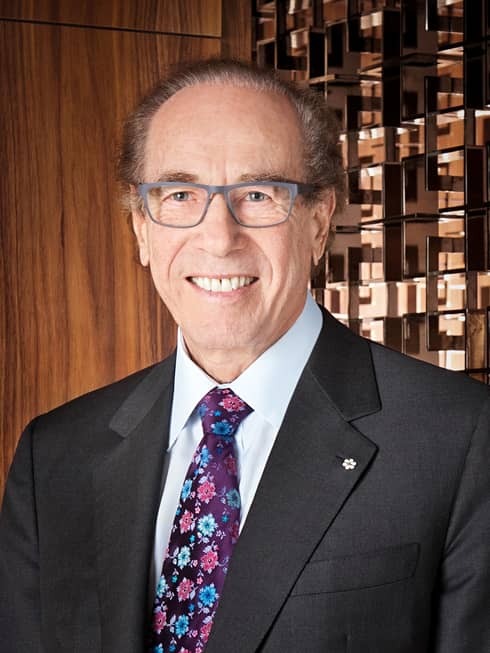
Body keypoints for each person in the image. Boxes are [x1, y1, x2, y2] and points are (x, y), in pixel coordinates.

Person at [0, 59, 489, 653]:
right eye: (180, 195)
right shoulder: (54, 455)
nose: (218, 238)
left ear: (318, 220)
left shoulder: (460, 439)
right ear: (141, 229)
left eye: (257, 195)